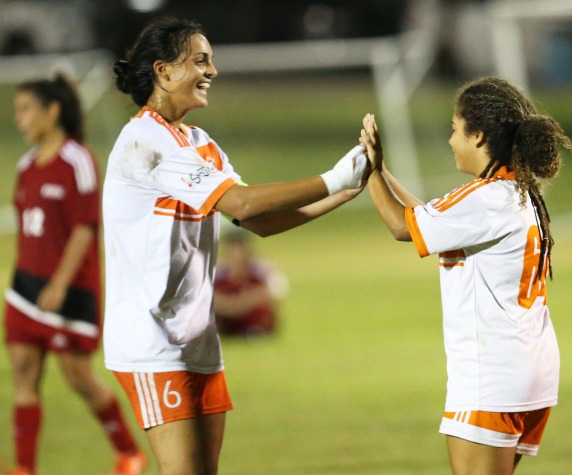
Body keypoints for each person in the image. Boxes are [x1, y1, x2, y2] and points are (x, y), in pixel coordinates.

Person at [103, 16, 367, 475]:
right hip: (152, 340)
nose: (213, 71)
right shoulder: (144, 141)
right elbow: (243, 199)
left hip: (198, 338)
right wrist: (335, 175)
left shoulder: (200, 143)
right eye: (200, 60)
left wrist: (343, 191)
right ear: (163, 72)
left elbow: (252, 218)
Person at [359, 76, 571, 474]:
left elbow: (402, 227)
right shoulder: (516, 192)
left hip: (491, 375)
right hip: (528, 370)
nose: (451, 140)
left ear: (478, 136)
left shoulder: (485, 197)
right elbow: (430, 218)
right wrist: (383, 171)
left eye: (455, 130)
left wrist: (369, 172)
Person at [4, 75, 147, 475]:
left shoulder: (77, 160)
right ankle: (25, 469)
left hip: (68, 290)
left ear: (53, 111)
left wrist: (60, 284)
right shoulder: (26, 165)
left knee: (78, 377)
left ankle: (128, 452)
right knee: (23, 375)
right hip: (25, 288)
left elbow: (85, 227)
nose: (20, 119)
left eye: (27, 109)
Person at [213, 230, 288, 336]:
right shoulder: (218, 271)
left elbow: (274, 292)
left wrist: (241, 303)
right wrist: (230, 306)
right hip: (226, 314)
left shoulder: (261, 269)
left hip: (250, 312)